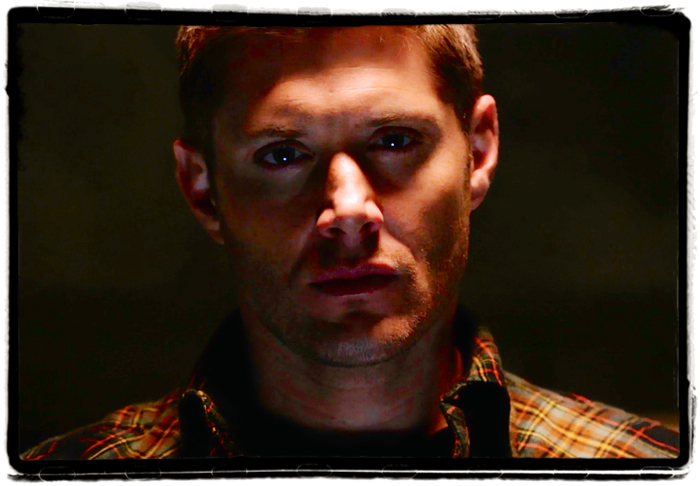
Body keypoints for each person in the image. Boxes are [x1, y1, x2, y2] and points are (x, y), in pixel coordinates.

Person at [21, 24, 680, 460]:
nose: (348, 210)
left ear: (478, 151)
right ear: (202, 189)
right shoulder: (67, 474)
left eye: (395, 141)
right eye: (282, 154)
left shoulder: (643, 469)